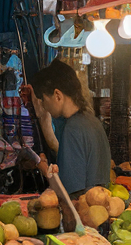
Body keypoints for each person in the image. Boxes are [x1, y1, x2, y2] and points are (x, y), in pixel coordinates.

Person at [29, 60, 111, 196]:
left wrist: (44, 169)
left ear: (57, 95)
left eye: (43, 99)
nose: (43, 105)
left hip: (82, 211)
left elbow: (70, 191)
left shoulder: (73, 129)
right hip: (98, 207)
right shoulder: (92, 121)